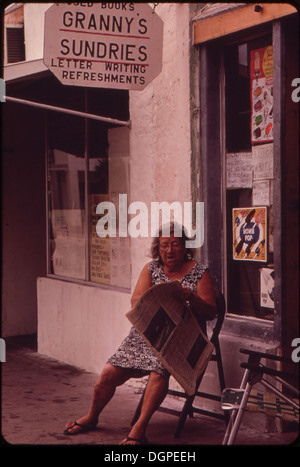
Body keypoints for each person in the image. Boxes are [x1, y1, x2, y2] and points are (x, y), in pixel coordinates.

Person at [64, 223, 217, 444]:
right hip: (147, 333)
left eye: (175, 244)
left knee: (158, 370)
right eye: (164, 245)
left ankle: (139, 429)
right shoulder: (151, 268)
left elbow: (211, 310)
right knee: (108, 373)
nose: (169, 250)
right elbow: (136, 300)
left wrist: (190, 298)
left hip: (181, 337)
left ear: (186, 247)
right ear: (158, 248)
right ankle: (92, 416)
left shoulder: (199, 271)